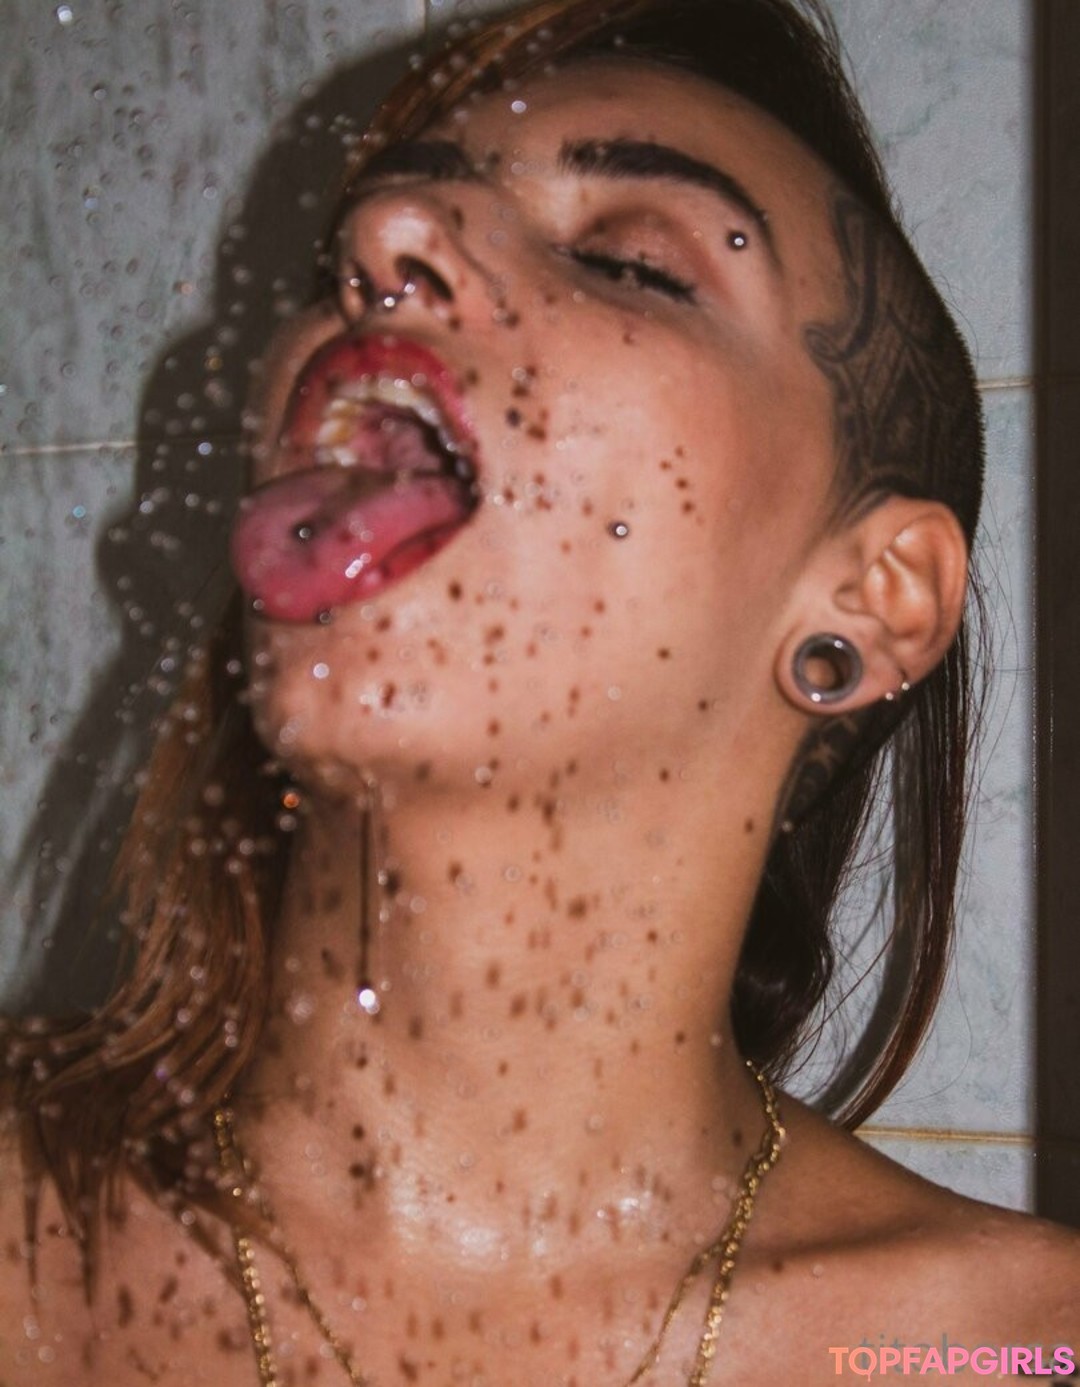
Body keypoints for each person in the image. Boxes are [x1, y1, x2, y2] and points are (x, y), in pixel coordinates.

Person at [2, 0, 1078, 1382]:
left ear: (871, 601)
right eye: (351, 251)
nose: (386, 238)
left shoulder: (1017, 1354)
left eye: (631, 263)